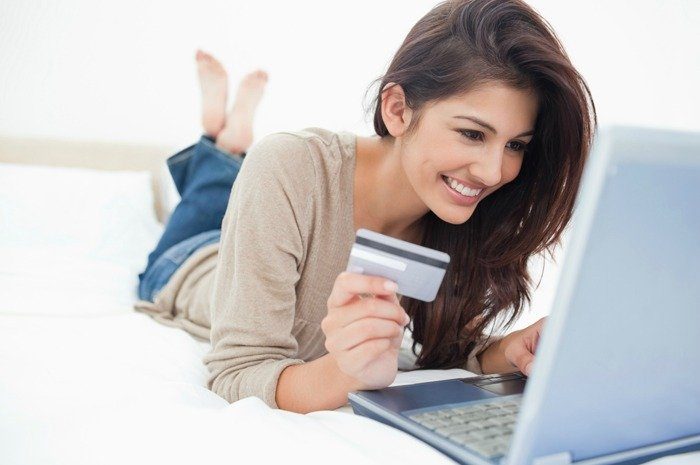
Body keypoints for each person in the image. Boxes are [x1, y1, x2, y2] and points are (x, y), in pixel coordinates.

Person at [135, 0, 596, 414]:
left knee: (230, 180)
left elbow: (451, 347)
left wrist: (510, 348)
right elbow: (236, 373)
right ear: (397, 110)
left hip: (268, 218)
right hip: (191, 262)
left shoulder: (458, 213)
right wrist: (345, 374)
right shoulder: (290, 164)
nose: (494, 173)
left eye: (516, 145)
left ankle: (227, 141)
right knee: (211, 194)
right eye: (472, 134)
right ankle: (224, 142)